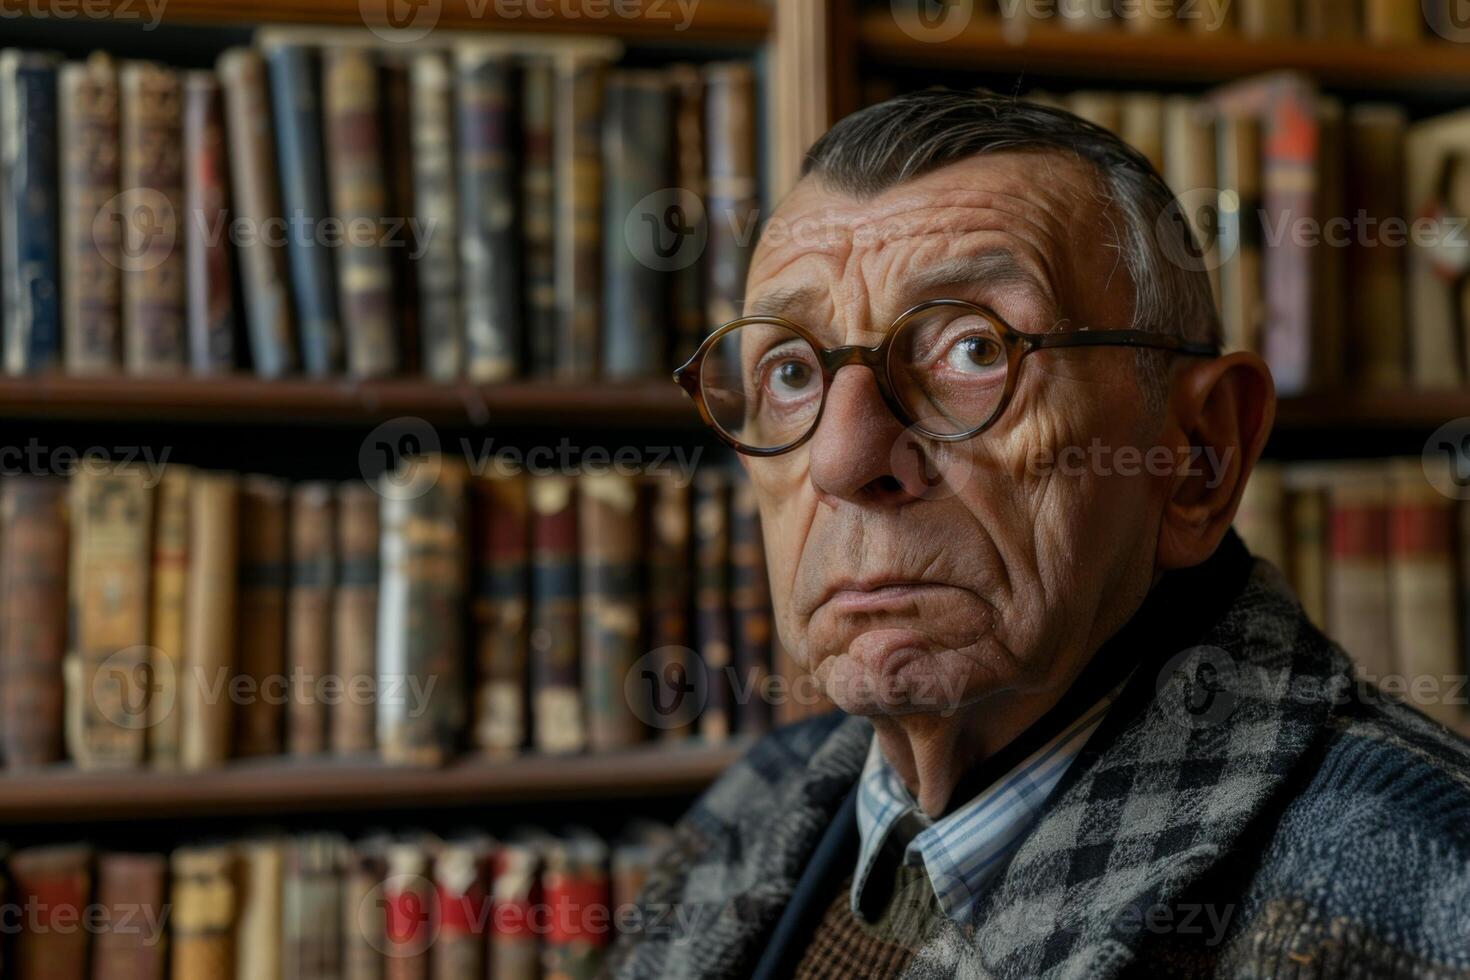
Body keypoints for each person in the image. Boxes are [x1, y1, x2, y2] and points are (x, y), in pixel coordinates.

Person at [609, 90, 1470, 979]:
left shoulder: (1420, 888)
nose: (844, 458)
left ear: (1200, 458)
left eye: (974, 351)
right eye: (789, 370)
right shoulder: (759, 796)